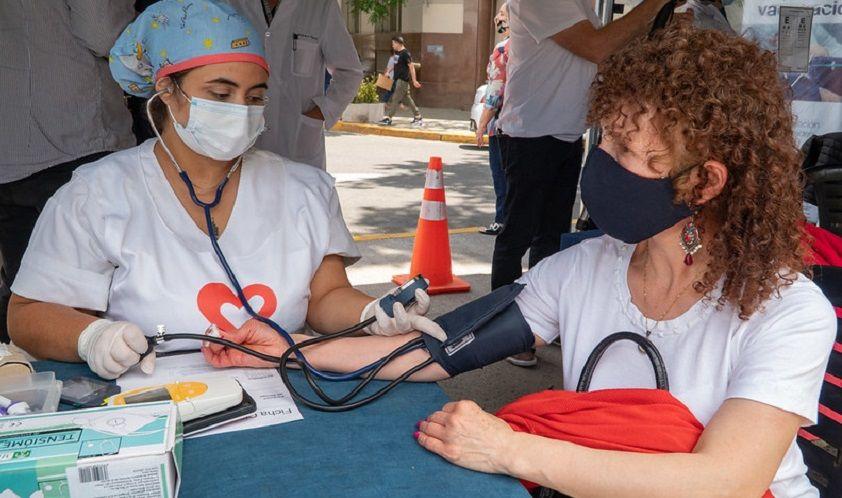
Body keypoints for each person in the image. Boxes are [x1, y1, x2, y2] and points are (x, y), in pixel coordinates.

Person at [199, 25, 836, 497]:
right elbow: (437, 351)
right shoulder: (584, 269)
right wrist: (291, 349)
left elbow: (725, 480)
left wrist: (509, 450)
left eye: (624, 150)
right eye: (605, 139)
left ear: (704, 183)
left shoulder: (787, 311)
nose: (600, 163)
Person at [7, 0, 441, 381]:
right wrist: (92, 337)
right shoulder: (96, 194)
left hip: (284, 400)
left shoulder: (305, 190)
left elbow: (326, 297)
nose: (240, 111)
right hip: (152, 405)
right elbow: (28, 315)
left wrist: (369, 314)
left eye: (254, 98)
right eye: (220, 93)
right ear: (167, 92)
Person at [496, 0, 682, 367]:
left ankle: (544, 320)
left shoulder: (580, 4)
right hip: (530, 133)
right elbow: (597, 47)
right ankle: (504, 329)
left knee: (551, 237)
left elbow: (607, 52)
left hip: (566, 134)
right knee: (517, 233)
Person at [0, 1, 135, 342]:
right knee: (102, 315)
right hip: (73, 137)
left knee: (32, 298)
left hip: (10, 150)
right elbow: (104, 32)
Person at [223, 0, 363, 170]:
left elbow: (349, 72)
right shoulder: (229, 4)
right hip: (239, 145)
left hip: (299, 146)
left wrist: (320, 113)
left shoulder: (320, 6)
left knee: (300, 185)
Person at [477, 2, 511, 237]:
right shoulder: (532, 48)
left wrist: (482, 124)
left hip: (502, 127)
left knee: (501, 177)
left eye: (502, 14)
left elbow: (495, 92)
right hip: (528, 126)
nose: (497, 18)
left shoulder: (502, 49)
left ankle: (502, 221)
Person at [378, 36, 423, 127]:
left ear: (398, 43)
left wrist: (414, 80)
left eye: (393, 43)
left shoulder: (406, 53)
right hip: (397, 79)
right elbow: (395, 65)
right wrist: (388, 72)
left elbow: (411, 67)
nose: (392, 45)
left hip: (402, 81)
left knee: (395, 98)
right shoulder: (397, 53)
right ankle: (418, 116)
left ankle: (388, 118)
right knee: (408, 99)